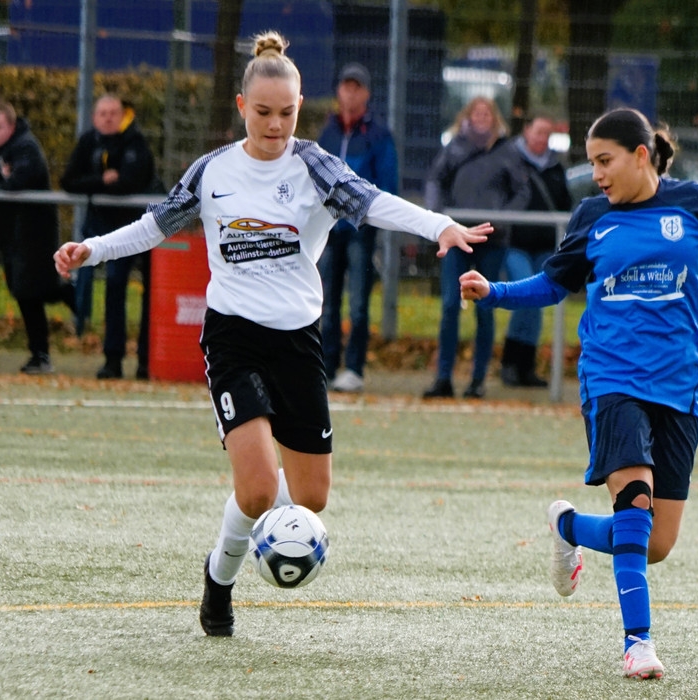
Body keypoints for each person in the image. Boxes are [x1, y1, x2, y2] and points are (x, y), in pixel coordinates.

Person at [53, 31, 491, 638]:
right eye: (263, 112)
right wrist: (93, 249)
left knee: (311, 496)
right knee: (258, 490)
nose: (276, 124)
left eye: (287, 112)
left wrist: (439, 225)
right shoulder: (214, 171)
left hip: (298, 342)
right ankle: (219, 581)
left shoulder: (314, 166)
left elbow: (374, 202)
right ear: (242, 106)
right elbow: (156, 225)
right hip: (233, 338)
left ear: (300, 106)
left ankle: (239, 545)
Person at [459, 107, 698, 679]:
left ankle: (567, 527)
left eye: (604, 161)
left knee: (656, 543)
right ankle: (638, 644)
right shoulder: (593, 216)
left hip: (679, 385)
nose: (596, 175)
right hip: (612, 379)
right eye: (591, 164)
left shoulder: (692, 204)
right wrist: (494, 291)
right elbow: (553, 284)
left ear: (641, 156)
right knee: (635, 502)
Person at [421, 96, 530, 399]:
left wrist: (502, 219)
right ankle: (443, 377)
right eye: (476, 112)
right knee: (450, 305)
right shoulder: (454, 147)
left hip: (491, 240)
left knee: (485, 306)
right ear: (467, 116)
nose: (482, 117)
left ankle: (478, 380)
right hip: (458, 237)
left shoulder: (507, 151)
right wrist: (438, 218)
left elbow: (522, 191)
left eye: (487, 113)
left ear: (495, 118)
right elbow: (435, 181)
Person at [0, 99, 75, 374]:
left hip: (34, 230)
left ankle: (41, 354)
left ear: (11, 126)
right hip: (9, 231)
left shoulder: (26, 147)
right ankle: (75, 298)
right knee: (29, 288)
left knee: (28, 290)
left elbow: (17, 181)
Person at [61, 94, 160, 380]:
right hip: (106, 233)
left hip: (141, 231)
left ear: (123, 115)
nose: (107, 118)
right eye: (102, 113)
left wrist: (103, 185)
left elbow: (131, 181)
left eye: (113, 113)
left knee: (152, 293)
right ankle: (113, 359)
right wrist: (101, 180)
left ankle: (146, 360)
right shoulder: (88, 142)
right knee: (114, 287)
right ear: (94, 117)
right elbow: (68, 181)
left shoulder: (136, 143)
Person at [316, 62, 399, 393]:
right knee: (327, 302)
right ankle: (326, 366)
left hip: (360, 232)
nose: (350, 93)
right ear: (338, 91)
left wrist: (363, 214)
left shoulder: (378, 135)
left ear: (366, 94)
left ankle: (354, 368)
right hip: (329, 230)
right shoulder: (328, 132)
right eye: (346, 87)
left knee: (358, 304)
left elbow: (387, 183)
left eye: (356, 87)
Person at [499, 114, 572, 387]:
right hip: (515, 244)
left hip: (545, 246)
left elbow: (564, 204)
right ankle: (509, 363)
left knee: (538, 302)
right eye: (539, 132)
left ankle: (526, 367)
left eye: (548, 133)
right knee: (524, 295)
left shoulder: (555, 168)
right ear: (527, 131)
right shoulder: (509, 162)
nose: (543, 138)